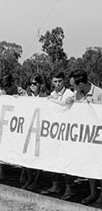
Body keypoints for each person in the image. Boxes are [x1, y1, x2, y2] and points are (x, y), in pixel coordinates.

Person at [66, 69, 102, 206]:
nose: (72, 89)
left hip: (98, 138)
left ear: (81, 84)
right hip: (86, 138)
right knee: (91, 166)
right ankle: (93, 193)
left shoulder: (99, 94)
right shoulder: (77, 94)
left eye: (73, 86)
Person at [41, 71, 75, 200]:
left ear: (64, 81)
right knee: (54, 161)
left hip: (66, 133)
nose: (57, 84)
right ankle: (55, 186)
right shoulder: (52, 94)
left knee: (66, 162)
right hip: (54, 133)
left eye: (60, 81)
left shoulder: (69, 94)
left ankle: (69, 189)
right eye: (55, 81)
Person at [20, 73, 49, 191]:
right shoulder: (26, 97)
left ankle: (35, 181)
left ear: (39, 84)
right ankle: (28, 178)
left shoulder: (45, 97)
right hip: (27, 130)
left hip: (40, 130)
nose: (32, 86)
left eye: (34, 84)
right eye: (30, 83)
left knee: (38, 158)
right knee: (26, 156)